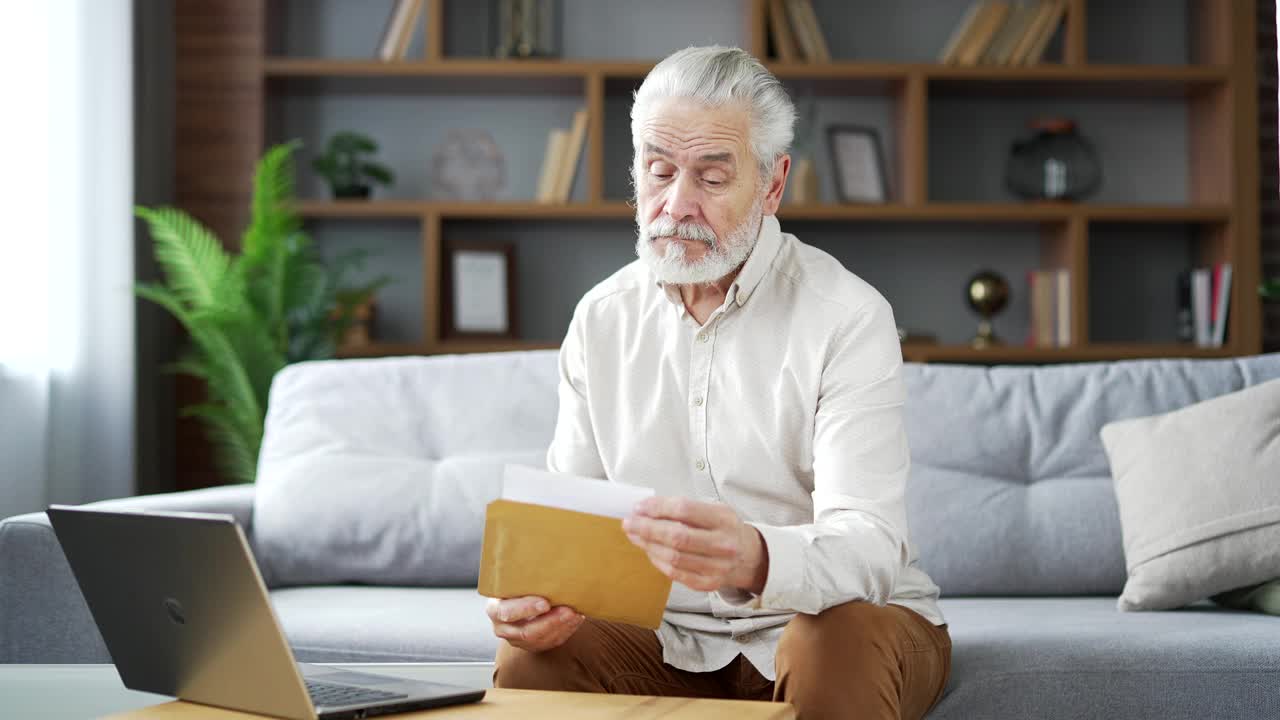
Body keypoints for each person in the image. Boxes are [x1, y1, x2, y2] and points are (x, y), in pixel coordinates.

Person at [487, 45, 950, 720]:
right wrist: (532, 597)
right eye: (658, 170)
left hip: (841, 624)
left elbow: (870, 547)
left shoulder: (848, 316)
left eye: (711, 176)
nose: (676, 204)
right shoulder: (601, 317)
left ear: (771, 183)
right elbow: (571, 522)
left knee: (831, 639)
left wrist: (755, 557)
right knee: (532, 659)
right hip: (667, 636)